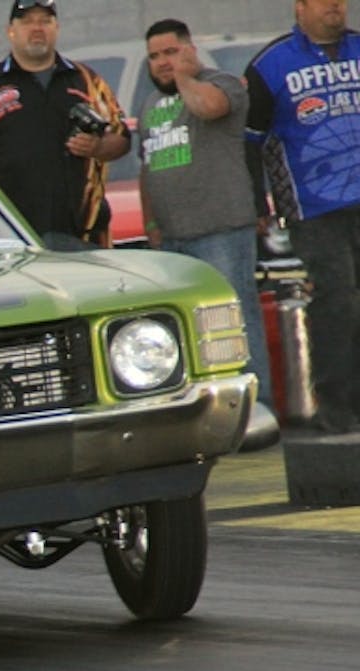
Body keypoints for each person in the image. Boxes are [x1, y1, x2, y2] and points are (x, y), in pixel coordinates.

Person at [137, 19, 273, 414]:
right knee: (189, 334)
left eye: (171, 52)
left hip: (221, 231)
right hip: (173, 240)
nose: (163, 62)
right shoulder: (148, 104)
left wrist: (184, 76)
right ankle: (208, 413)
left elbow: (207, 107)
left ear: (190, 50)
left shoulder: (221, 84)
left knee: (234, 324)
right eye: (155, 56)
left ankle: (256, 410)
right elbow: (148, 169)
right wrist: (151, 226)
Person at [245, 0, 360, 434]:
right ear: (301, 8)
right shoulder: (271, 64)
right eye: (325, 0)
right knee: (337, 301)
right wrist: (258, 204)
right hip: (313, 207)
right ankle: (338, 408)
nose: (336, 7)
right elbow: (250, 141)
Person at [0, 0, 129, 249]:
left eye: (44, 21)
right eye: (27, 21)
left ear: (56, 27)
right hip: (15, 237)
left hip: (85, 232)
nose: (36, 28)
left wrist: (97, 147)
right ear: (10, 30)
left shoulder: (86, 80)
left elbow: (123, 139)